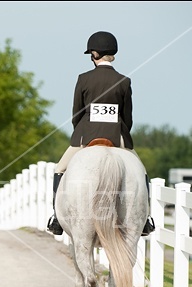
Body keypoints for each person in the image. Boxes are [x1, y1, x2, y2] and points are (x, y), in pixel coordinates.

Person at [47, 31, 155, 237]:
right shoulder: (124, 81)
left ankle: (56, 218)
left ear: (94, 54)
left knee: (60, 169)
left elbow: (76, 113)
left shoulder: (84, 79)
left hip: (85, 136)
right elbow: (127, 117)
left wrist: (81, 132)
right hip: (117, 137)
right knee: (141, 171)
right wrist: (121, 135)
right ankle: (146, 219)